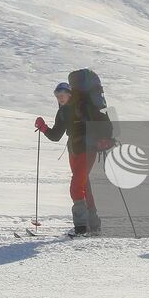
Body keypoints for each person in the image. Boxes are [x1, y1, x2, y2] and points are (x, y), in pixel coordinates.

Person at [35, 82, 103, 235]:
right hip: (73, 150)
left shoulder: (82, 107)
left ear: (70, 94)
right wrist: (43, 127)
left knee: (76, 186)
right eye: (57, 96)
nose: (59, 98)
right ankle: (94, 225)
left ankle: (81, 228)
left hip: (87, 149)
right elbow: (56, 136)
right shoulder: (62, 113)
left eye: (62, 95)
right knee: (84, 185)